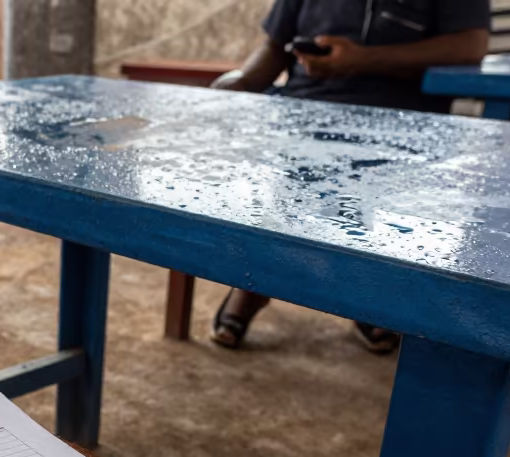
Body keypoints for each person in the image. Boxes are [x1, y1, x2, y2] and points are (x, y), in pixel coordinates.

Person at [209, 0, 490, 351]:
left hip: (401, 121)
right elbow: (274, 46)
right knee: (262, 179)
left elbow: (471, 46)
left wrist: (364, 59)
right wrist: (241, 83)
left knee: (367, 200)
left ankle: (367, 291)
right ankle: (254, 280)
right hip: (303, 109)